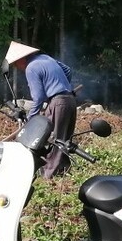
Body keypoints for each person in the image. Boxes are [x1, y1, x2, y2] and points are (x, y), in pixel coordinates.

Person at [5, 40, 76, 179]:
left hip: (58, 102)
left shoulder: (31, 68)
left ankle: (49, 174)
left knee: (54, 138)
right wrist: (62, 86)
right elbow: (68, 70)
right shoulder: (45, 58)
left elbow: (38, 97)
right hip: (70, 100)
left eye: (15, 64)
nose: (17, 67)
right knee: (65, 138)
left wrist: (31, 119)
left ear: (21, 59)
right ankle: (63, 170)